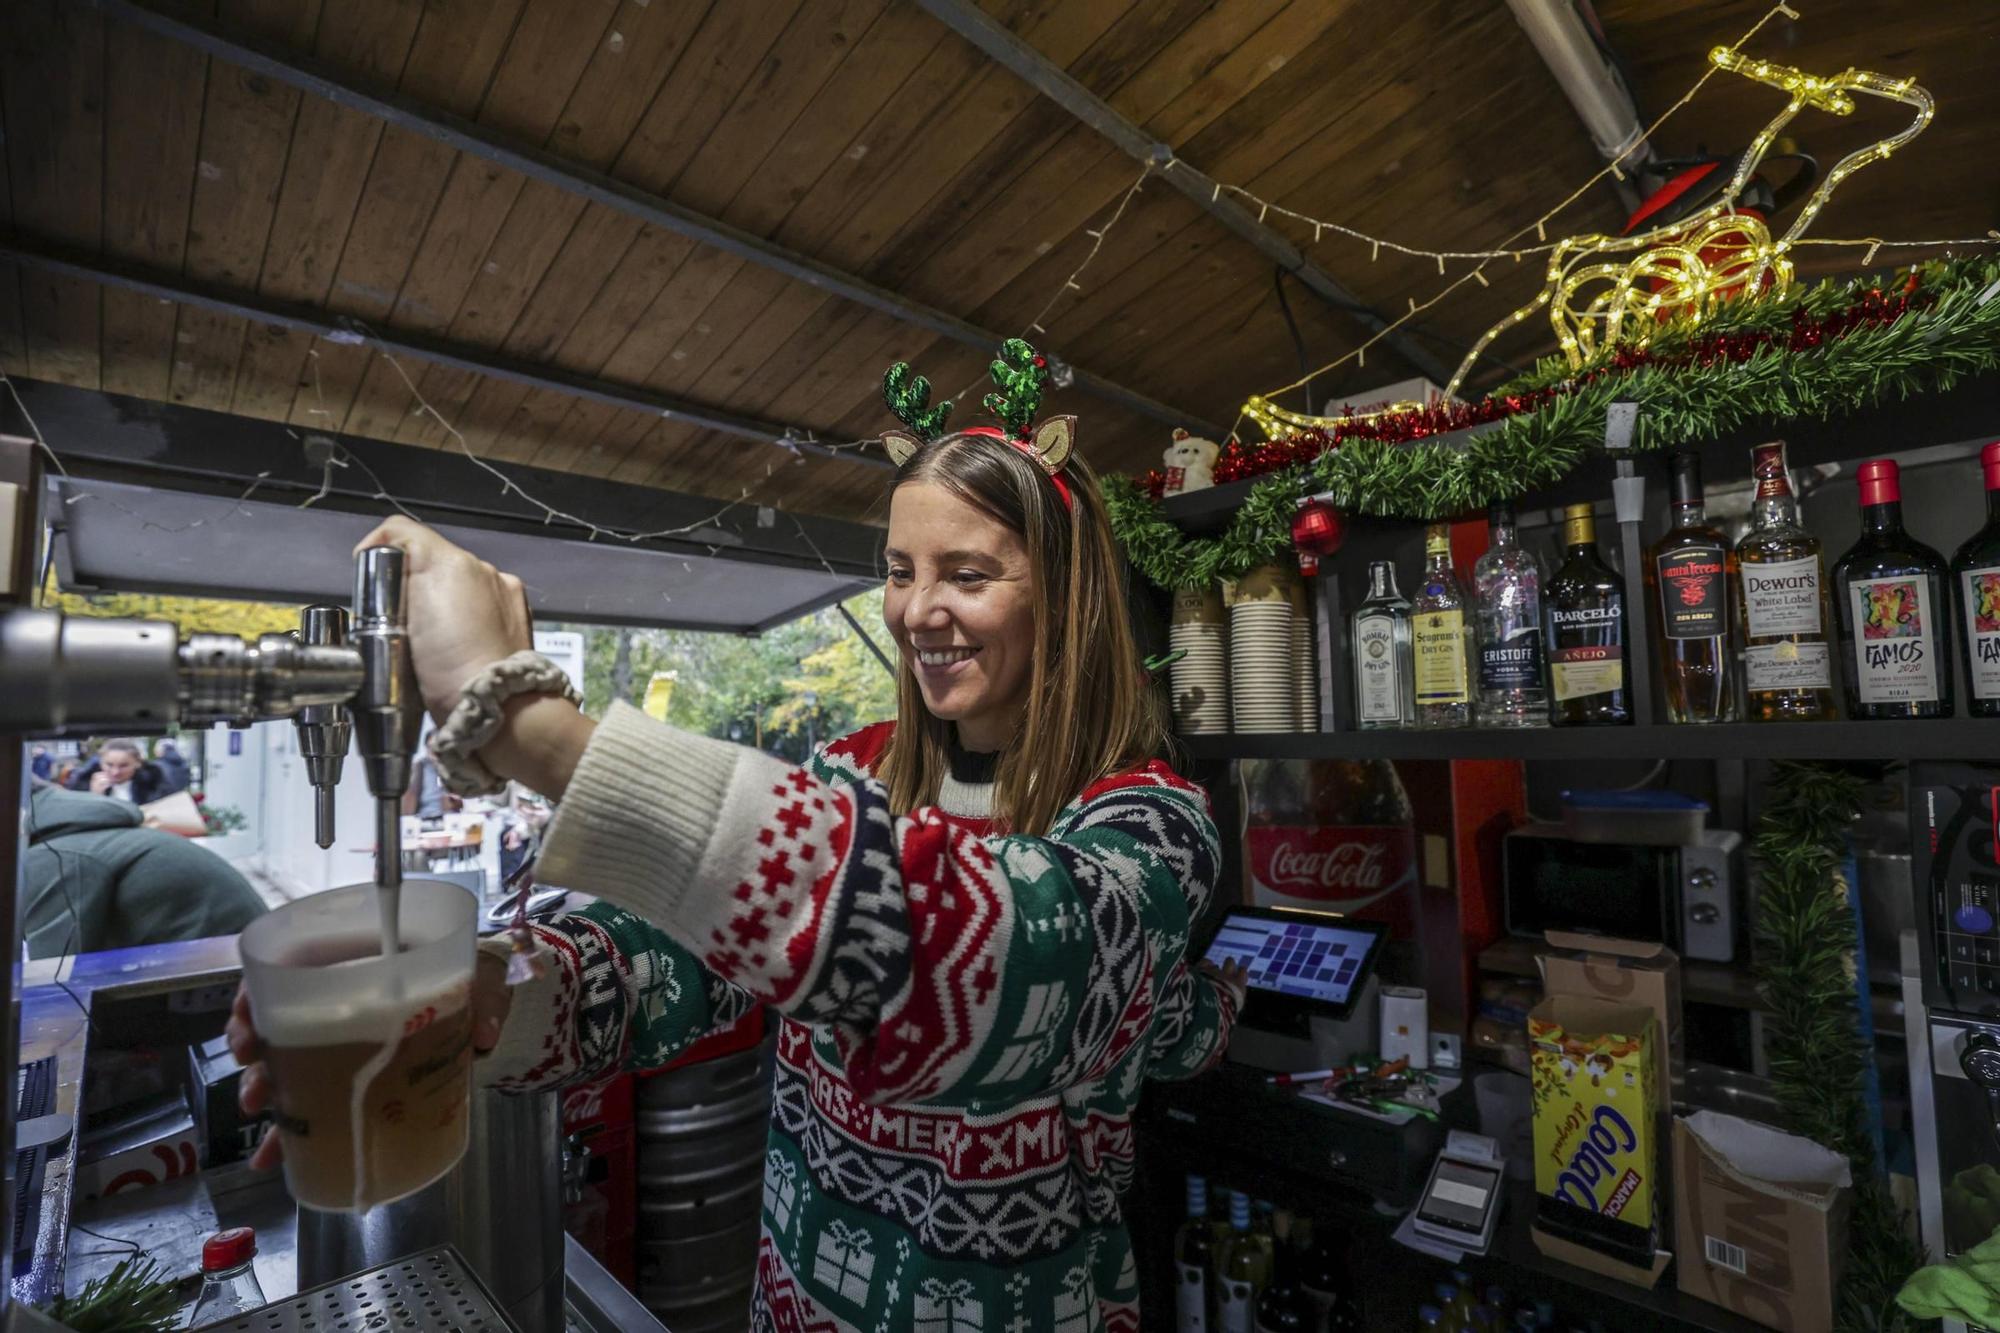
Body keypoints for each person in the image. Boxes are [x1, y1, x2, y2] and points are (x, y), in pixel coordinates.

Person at [231, 352, 1245, 1331]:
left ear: (1063, 601)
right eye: (898, 571)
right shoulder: (854, 772)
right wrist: (496, 999)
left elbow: (1004, 958)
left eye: (966, 573)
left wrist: (527, 727)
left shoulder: (1145, 823)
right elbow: (679, 953)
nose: (915, 610)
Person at [21, 783, 267, 959]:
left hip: (224, 988)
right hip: (236, 969)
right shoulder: (73, 836)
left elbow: (55, 976)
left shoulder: (55, 856)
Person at [65, 739, 178, 806]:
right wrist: (94, 796)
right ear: (100, 762)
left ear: (137, 763)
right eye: (109, 765)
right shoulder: (83, 782)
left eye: (123, 766)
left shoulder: (154, 783)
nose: (115, 772)